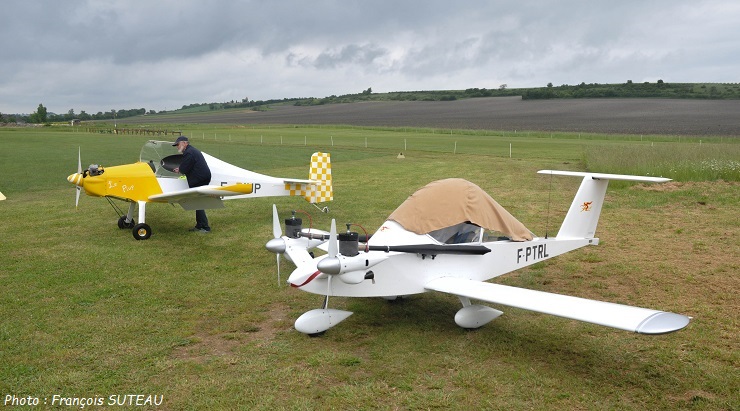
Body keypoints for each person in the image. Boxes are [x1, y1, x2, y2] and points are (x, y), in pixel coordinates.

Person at [172, 136, 212, 233]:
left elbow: (185, 168)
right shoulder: (191, 151)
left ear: (184, 143)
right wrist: (180, 169)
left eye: (178, 144)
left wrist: (179, 170)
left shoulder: (189, 153)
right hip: (201, 177)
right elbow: (187, 166)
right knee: (197, 202)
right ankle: (199, 226)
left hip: (200, 179)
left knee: (197, 202)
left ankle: (205, 227)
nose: (177, 147)